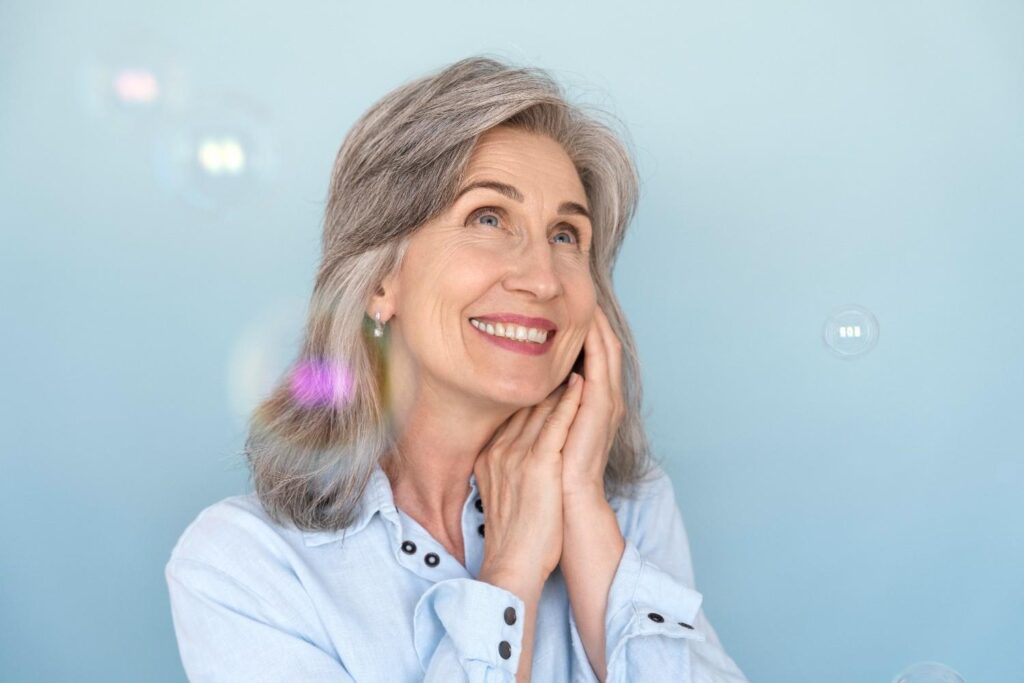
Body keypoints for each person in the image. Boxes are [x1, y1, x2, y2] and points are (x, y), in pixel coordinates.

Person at [165, 54, 749, 683]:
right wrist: (513, 570)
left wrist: (583, 509)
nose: (543, 279)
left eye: (565, 235)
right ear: (380, 280)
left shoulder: (628, 505)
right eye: (489, 218)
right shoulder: (240, 566)